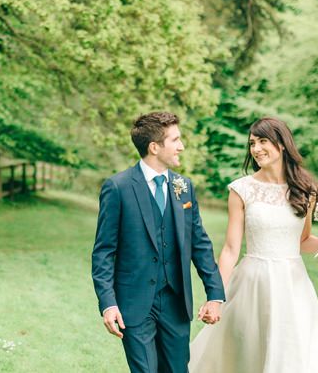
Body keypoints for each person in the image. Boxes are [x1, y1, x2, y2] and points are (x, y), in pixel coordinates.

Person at [188, 117, 318, 373]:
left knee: (291, 357)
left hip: (293, 287)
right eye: (252, 143)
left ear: (282, 144)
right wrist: (215, 297)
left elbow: (302, 241)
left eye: (263, 141)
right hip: (252, 284)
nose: (256, 149)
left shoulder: (306, 190)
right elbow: (230, 249)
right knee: (244, 356)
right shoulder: (241, 189)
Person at [91, 111, 227, 373]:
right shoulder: (118, 187)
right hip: (134, 304)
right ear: (154, 147)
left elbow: (199, 243)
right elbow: (104, 252)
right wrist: (108, 303)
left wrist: (215, 294)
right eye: (175, 140)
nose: (181, 146)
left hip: (176, 303)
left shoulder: (184, 187)